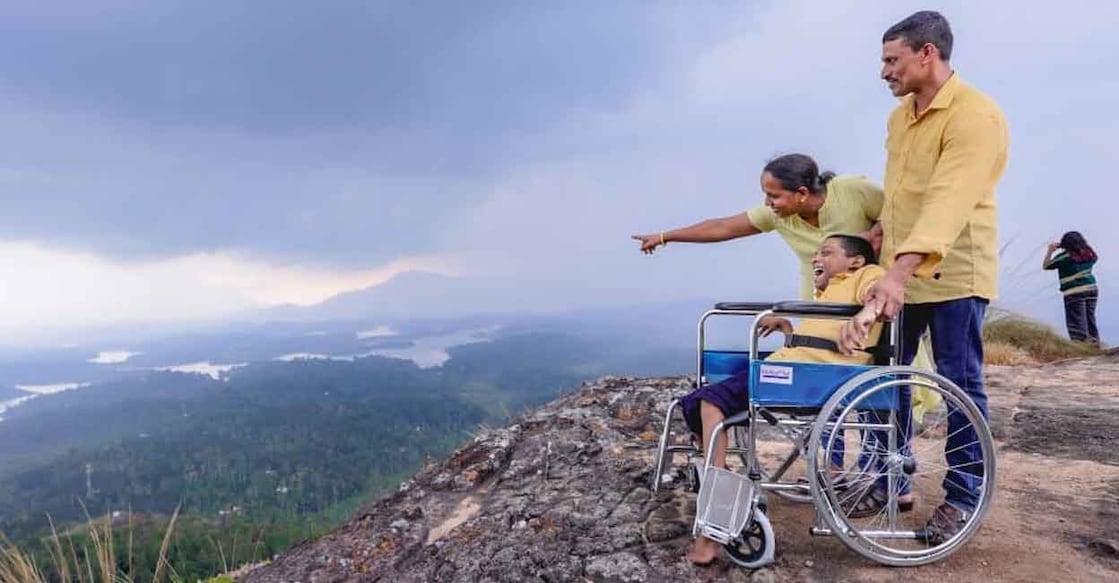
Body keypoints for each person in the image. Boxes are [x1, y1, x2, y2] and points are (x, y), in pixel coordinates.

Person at [840, 11, 1009, 544]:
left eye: (892, 60)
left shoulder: (974, 116)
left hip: (955, 274)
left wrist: (897, 274)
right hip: (900, 272)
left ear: (927, 54)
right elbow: (902, 194)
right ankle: (891, 478)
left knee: (959, 386)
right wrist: (879, 235)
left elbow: (946, 201)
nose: (884, 72)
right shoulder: (900, 118)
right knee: (885, 375)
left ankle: (963, 496)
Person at [681, 235, 913, 564]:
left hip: (808, 378)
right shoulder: (827, 292)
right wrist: (788, 328)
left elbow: (876, 300)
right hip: (792, 368)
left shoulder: (867, 276)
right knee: (695, 400)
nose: (816, 257)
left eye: (827, 253)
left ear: (855, 261)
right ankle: (717, 477)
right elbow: (817, 342)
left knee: (711, 404)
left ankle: (712, 530)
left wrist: (867, 312)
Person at [632, 153, 883, 300]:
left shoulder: (852, 190)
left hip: (870, 291)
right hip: (819, 299)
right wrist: (665, 236)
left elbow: (899, 214)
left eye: (774, 195)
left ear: (802, 193)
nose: (767, 202)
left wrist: (872, 236)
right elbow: (723, 227)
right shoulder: (778, 215)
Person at [1043, 231, 1100, 344]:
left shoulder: (1065, 257)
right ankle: (1094, 346)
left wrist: (1050, 250)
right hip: (1091, 289)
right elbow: (1093, 256)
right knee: (1090, 320)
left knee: (1076, 323)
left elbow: (1046, 266)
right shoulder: (1089, 254)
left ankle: (1081, 349)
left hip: (1074, 292)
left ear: (1066, 244)